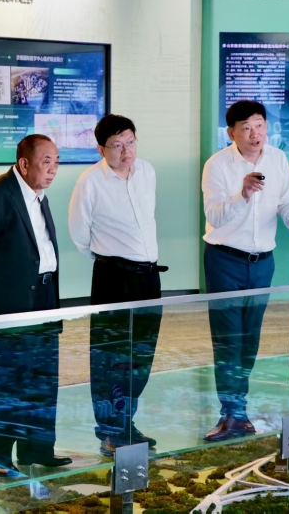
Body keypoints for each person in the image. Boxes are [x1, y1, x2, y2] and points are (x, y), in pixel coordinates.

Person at [0, 134, 71, 478]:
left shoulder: (39, 196)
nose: (53, 169)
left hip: (45, 297)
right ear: (24, 163)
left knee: (43, 376)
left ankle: (37, 448)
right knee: (6, 381)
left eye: (56, 162)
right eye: (46, 162)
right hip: (7, 304)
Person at [202, 100, 289, 442]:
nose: (255, 134)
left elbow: (285, 199)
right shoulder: (217, 165)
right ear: (231, 132)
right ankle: (230, 414)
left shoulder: (277, 159)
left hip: (262, 262)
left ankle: (240, 411)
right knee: (228, 340)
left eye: (260, 126)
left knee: (249, 340)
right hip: (225, 260)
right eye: (246, 128)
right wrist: (243, 193)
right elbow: (215, 216)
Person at [68, 114, 164, 456]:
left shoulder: (147, 172)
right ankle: (110, 431)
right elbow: (79, 234)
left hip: (149, 277)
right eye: (117, 145)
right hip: (114, 278)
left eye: (131, 142)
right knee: (111, 359)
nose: (126, 151)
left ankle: (127, 423)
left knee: (141, 356)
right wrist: (112, 262)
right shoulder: (90, 181)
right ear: (101, 149)